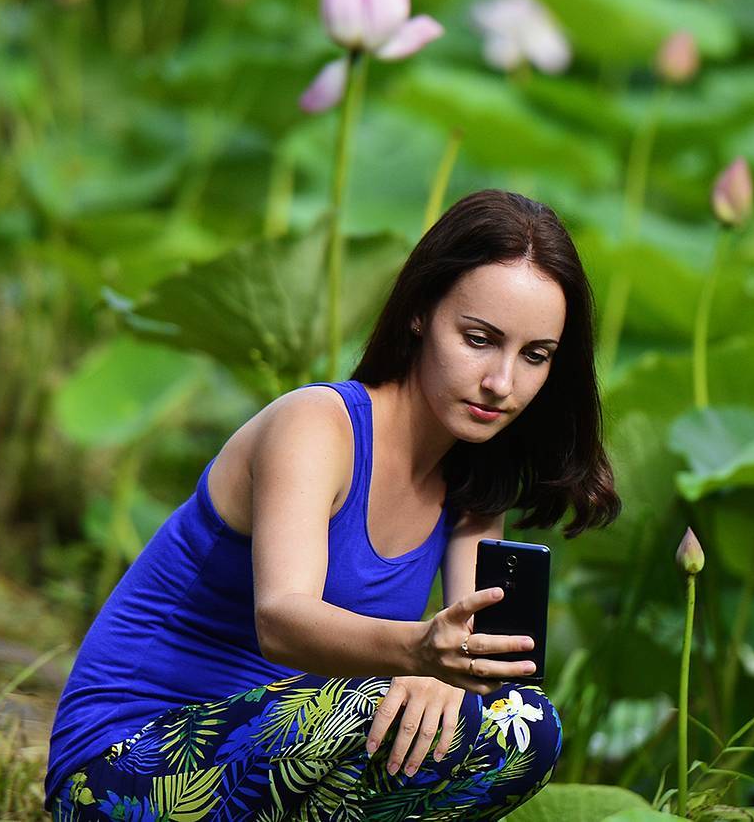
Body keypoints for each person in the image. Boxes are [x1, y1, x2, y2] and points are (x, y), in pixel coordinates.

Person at [43, 189, 622, 820]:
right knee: (371, 707)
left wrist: (452, 675)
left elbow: (475, 668)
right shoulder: (319, 426)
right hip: (123, 769)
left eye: (534, 356)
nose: (502, 383)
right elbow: (281, 619)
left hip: (291, 758)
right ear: (420, 313)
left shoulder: (474, 484)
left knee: (525, 726)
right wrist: (420, 653)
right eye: (480, 339)